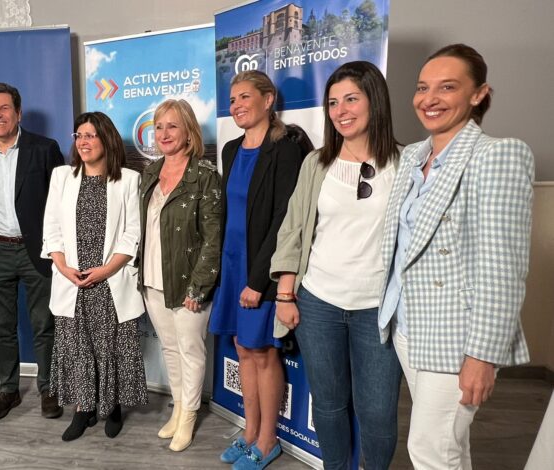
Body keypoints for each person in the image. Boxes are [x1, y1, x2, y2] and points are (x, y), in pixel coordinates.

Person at [378, 44, 534, 469]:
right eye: (422, 87)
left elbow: (502, 271)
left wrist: (482, 356)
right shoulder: (413, 156)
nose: (429, 99)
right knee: (448, 448)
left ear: (479, 94)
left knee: (430, 450)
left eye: (447, 87)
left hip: (457, 336)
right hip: (407, 325)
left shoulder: (496, 155)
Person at [271, 61, 402, 469]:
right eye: (332, 102)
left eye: (351, 99)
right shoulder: (316, 163)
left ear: (374, 101)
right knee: (328, 404)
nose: (340, 111)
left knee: (378, 412)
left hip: (378, 310)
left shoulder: (406, 163)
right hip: (319, 303)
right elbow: (293, 229)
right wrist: (285, 294)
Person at [208, 70, 304, 469]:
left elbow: (285, 218)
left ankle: (268, 441)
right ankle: (249, 432)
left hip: (260, 269)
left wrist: (259, 279)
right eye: (232, 100)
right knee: (243, 349)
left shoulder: (286, 148)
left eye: (245, 97)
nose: (237, 106)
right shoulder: (231, 149)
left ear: (268, 100)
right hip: (231, 266)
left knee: (263, 353)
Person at [42, 111, 148, 441]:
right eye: (79, 135)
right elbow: (51, 227)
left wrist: (106, 270)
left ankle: (112, 406)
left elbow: (133, 233)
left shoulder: (128, 179)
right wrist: (63, 267)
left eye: (90, 135)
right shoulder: (62, 176)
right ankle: (83, 409)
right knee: (77, 348)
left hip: (110, 279)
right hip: (72, 280)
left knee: (112, 347)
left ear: (107, 139)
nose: (83, 141)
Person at [0, 82, 64, 421]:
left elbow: (58, 202)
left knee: (44, 325)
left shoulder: (44, 148)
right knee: (2, 328)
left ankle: (49, 388)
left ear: (18, 113)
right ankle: (8, 390)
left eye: (4, 108)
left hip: (38, 251)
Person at [138, 99, 222, 452]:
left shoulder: (205, 176)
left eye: (172, 126)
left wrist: (199, 287)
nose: (164, 133)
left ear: (189, 131)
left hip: (189, 283)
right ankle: (177, 409)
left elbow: (213, 238)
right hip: (152, 280)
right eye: (159, 127)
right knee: (170, 349)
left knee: (190, 350)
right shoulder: (150, 173)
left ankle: (188, 416)